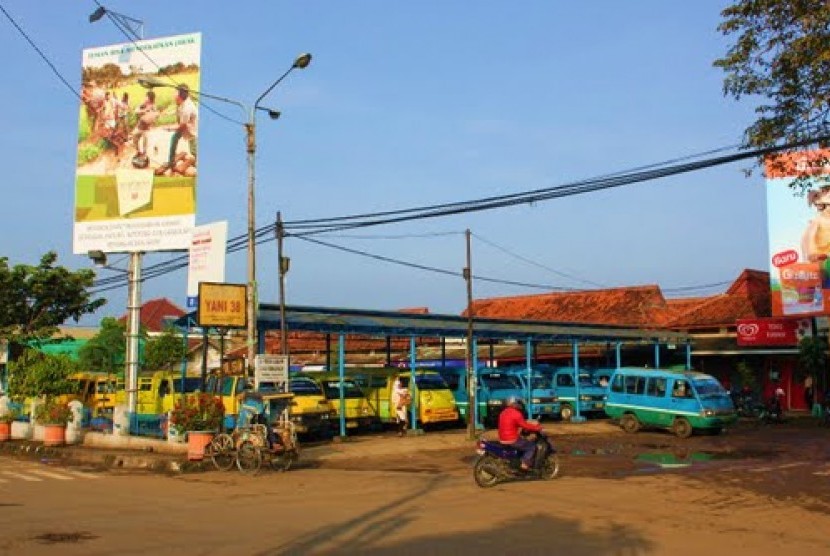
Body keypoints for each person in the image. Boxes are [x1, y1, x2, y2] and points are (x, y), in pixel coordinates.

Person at [497, 396, 543, 471]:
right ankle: (525, 463)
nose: (520, 405)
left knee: (522, 442)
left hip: (502, 439)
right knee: (531, 446)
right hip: (512, 439)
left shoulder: (503, 412)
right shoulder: (516, 414)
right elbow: (525, 425)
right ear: (515, 404)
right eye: (519, 404)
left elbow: (514, 423)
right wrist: (537, 428)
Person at [165, 84, 198, 171]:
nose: (173, 94)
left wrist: (169, 128)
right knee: (174, 138)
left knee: (194, 152)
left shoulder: (187, 108)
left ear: (179, 95)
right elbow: (178, 110)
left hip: (191, 131)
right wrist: (169, 113)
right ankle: (171, 161)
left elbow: (181, 126)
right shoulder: (183, 102)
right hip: (186, 127)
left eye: (175, 93)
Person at [132, 90, 158, 157]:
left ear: (150, 98)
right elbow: (136, 111)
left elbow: (154, 117)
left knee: (145, 142)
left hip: (147, 128)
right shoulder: (143, 104)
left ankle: (144, 154)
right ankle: (137, 151)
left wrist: (150, 115)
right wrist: (144, 111)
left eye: (146, 96)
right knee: (134, 137)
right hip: (139, 126)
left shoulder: (153, 106)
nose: (145, 98)